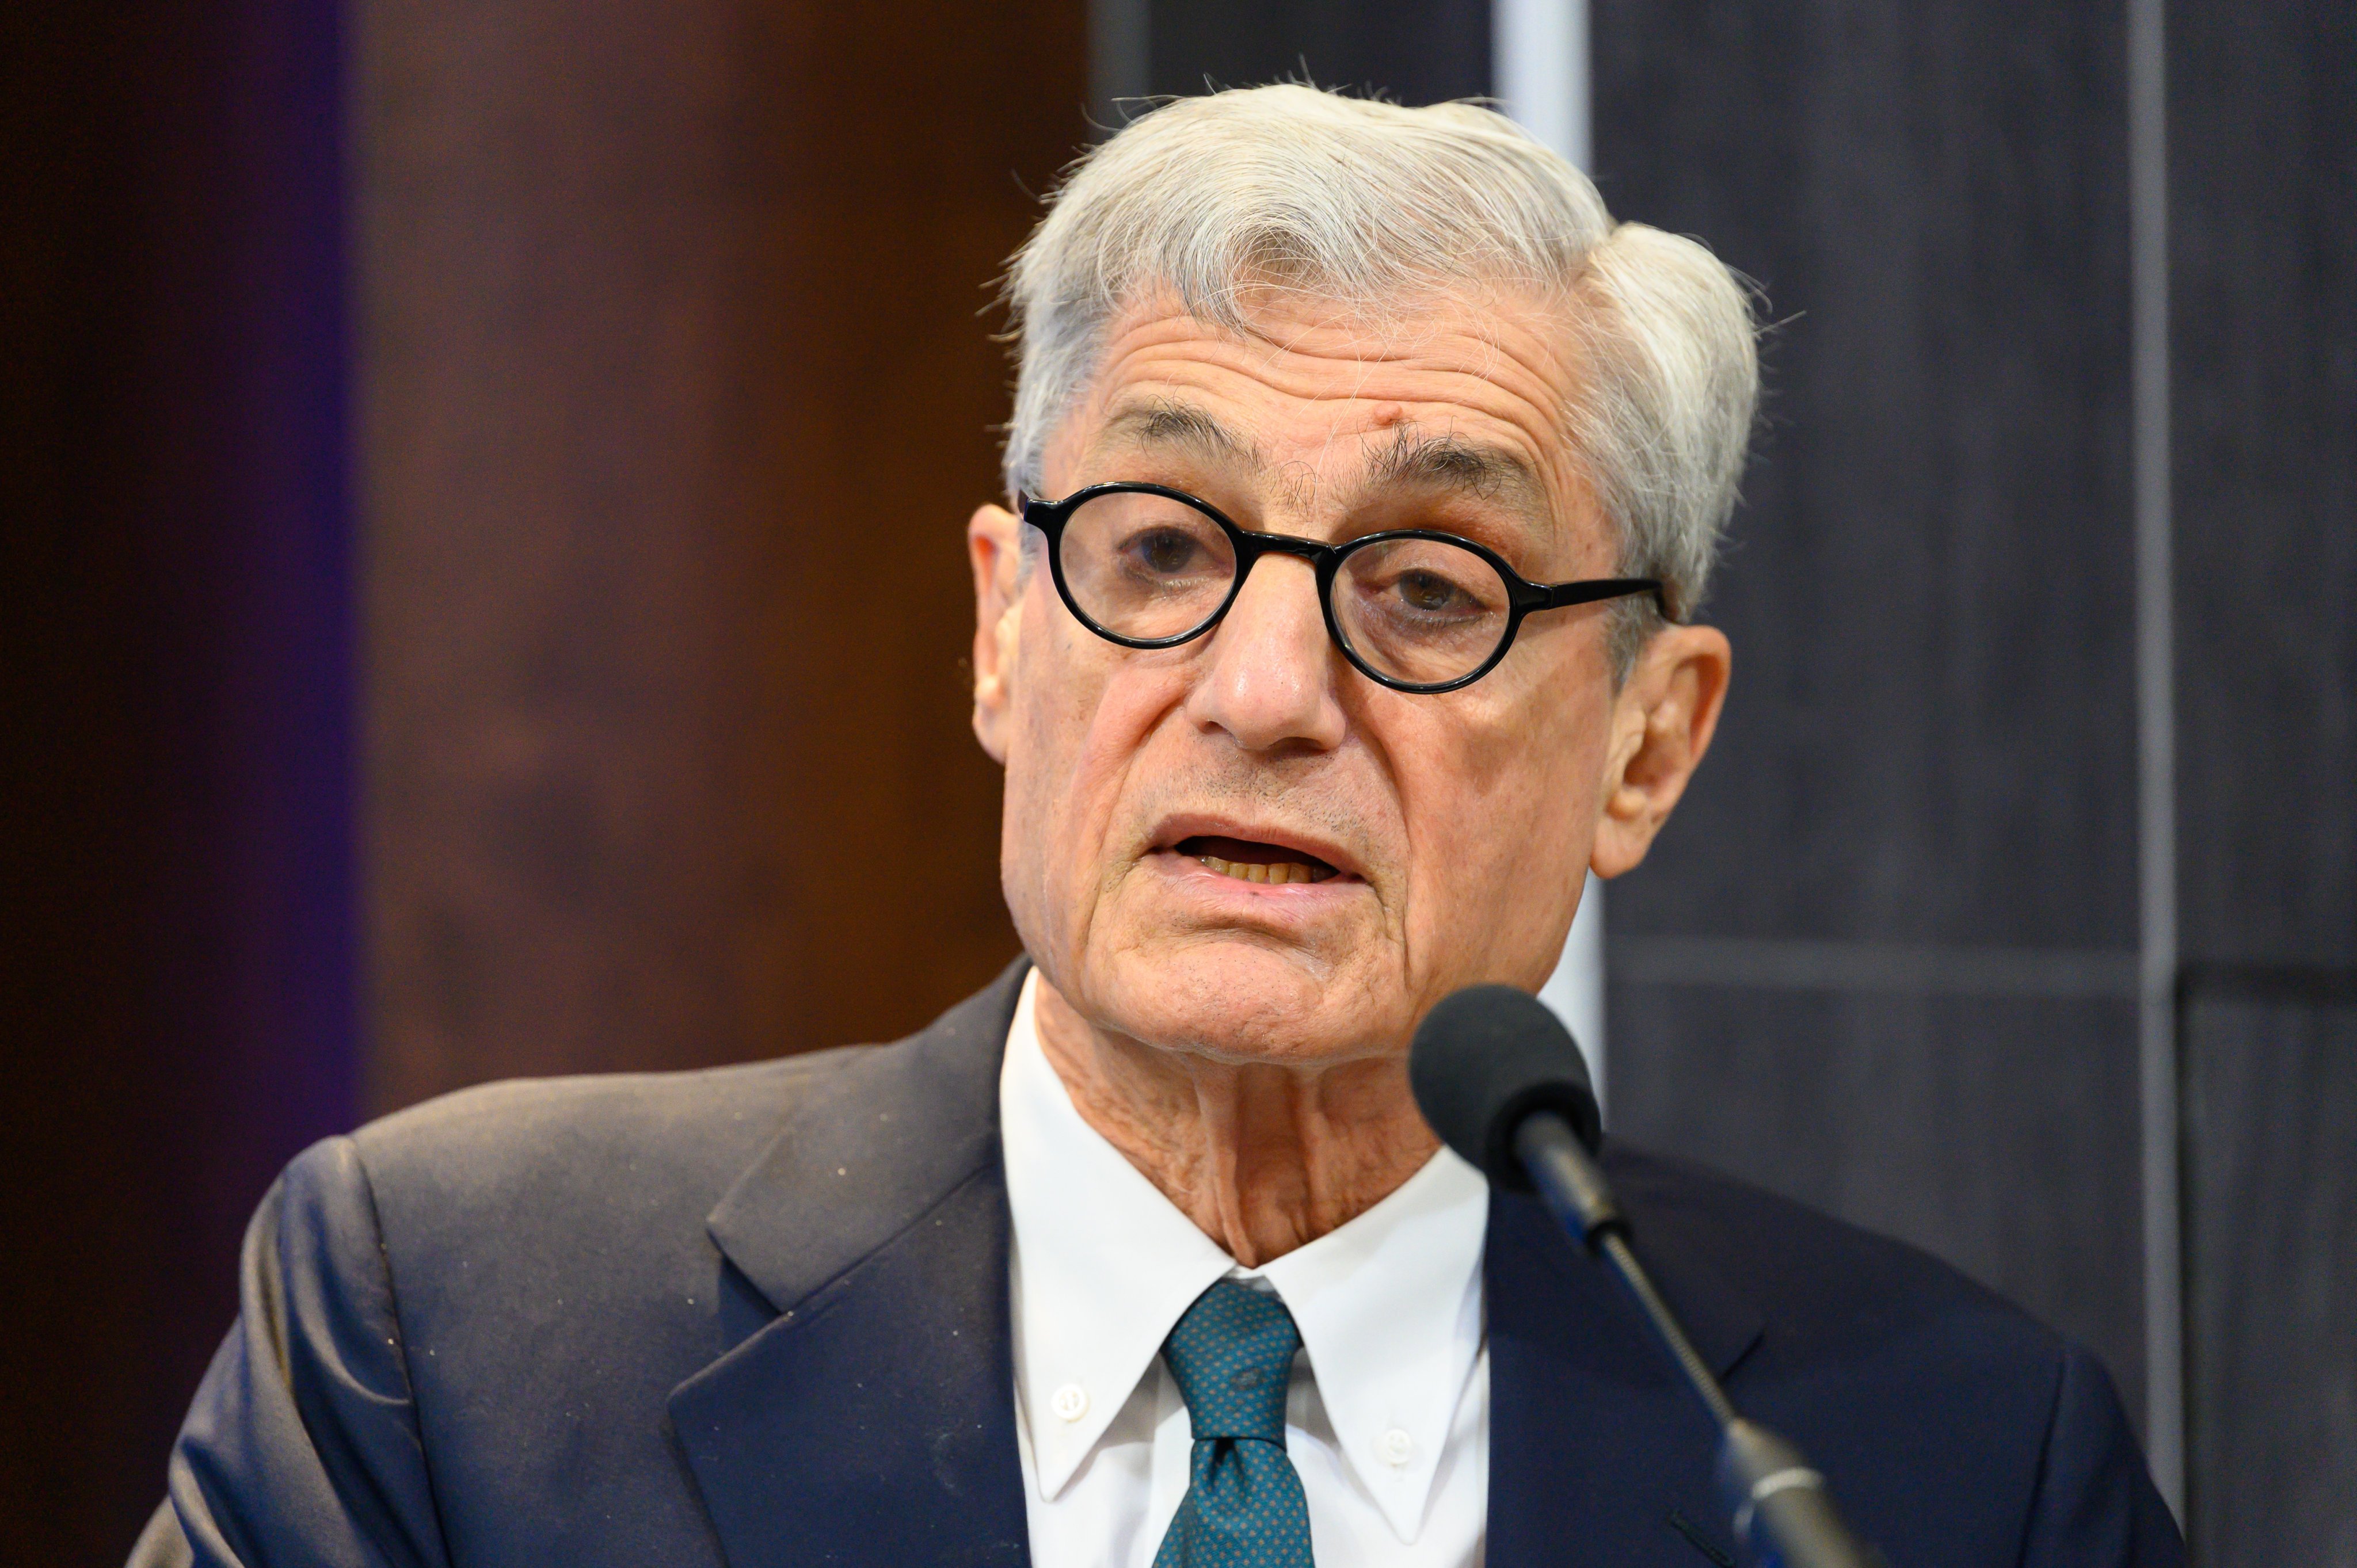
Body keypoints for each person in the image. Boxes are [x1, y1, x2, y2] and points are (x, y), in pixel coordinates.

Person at [133, 85, 2181, 1568]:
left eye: (1430, 590)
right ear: (1006, 633)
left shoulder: (1942, 1475)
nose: (1268, 692)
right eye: (1160, 544)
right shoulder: (454, 1335)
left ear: (1648, 746)